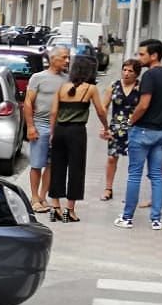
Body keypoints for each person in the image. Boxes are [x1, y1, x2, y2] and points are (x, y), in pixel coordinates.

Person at [115, 39, 162, 231]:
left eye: (142, 54)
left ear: (154, 55)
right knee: (157, 175)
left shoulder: (149, 76)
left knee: (134, 175)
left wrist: (130, 121)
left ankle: (127, 217)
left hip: (143, 131)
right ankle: (156, 219)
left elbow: (143, 104)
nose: (139, 57)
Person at [48, 57, 107, 223]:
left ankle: (55, 208)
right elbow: (101, 112)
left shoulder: (61, 87)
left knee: (57, 167)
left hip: (59, 130)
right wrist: (106, 127)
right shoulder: (91, 88)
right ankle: (69, 210)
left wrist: (52, 133)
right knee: (76, 169)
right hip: (77, 131)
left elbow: (53, 112)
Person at [23, 46, 70, 211]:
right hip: (40, 125)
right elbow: (28, 103)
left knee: (52, 164)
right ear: (53, 59)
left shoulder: (67, 79)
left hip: (59, 127)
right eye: (64, 57)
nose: (67, 61)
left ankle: (43, 197)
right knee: (37, 164)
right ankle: (34, 198)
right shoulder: (38, 78)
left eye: (68, 57)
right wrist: (30, 126)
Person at [99, 59, 139, 201]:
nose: (126, 73)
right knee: (111, 158)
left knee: (134, 160)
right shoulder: (114, 86)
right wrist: (104, 127)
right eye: (125, 70)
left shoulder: (140, 88)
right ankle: (108, 188)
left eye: (130, 71)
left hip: (134, 128)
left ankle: (131, 191)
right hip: (116, 127)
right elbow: (104, 107)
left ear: (136, 74)